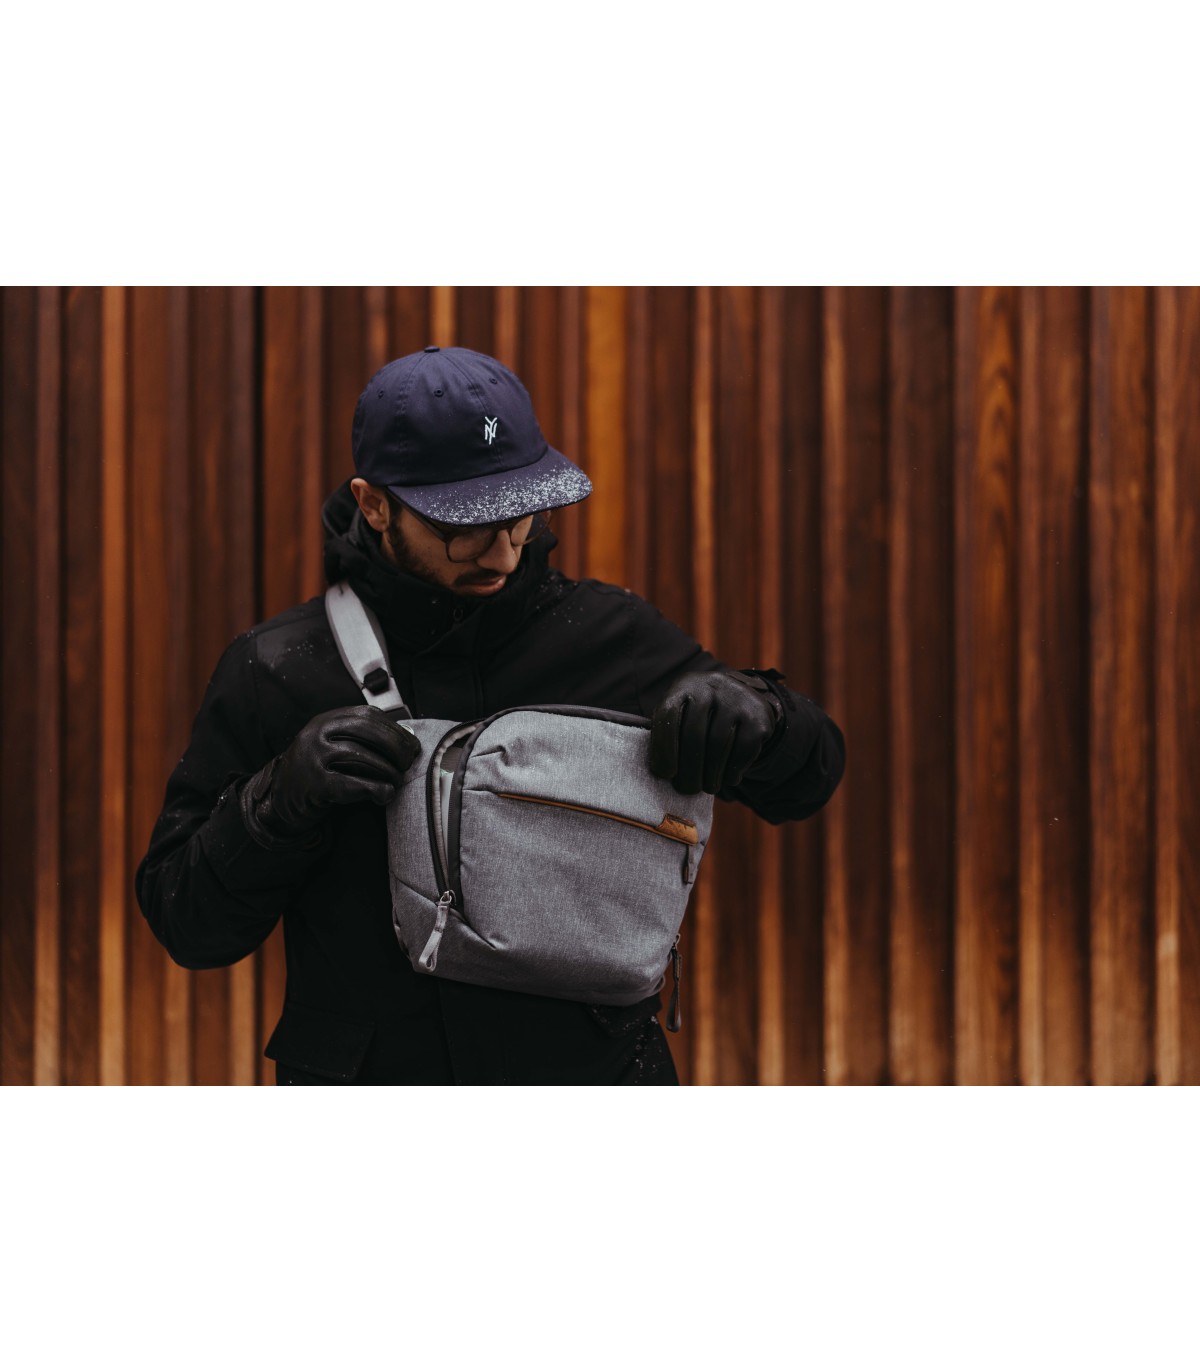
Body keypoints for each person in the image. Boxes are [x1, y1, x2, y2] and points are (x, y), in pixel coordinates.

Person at [136, 345, 845, 1085]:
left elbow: (807, 785)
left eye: (519, 516)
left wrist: (765, 716)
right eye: (464, 527)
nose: (504, 554)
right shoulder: (279, 668)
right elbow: (187, 927)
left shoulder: (611, 636)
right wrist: (274, 804)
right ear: (375, 504)